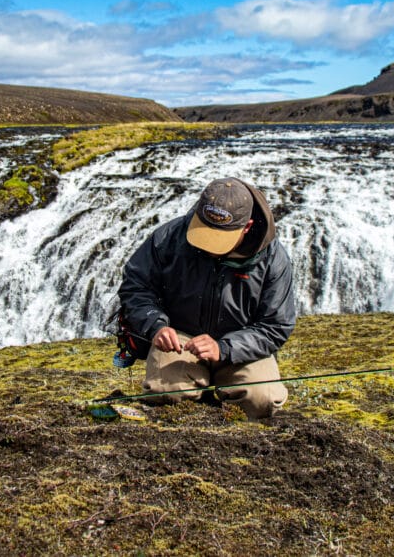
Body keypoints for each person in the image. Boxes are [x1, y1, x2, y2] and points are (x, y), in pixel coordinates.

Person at [118, 177, 296, 419]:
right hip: (179, 338)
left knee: (261, 401)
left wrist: (224, 348)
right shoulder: (169, 237)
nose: (209, 247)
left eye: (219, 238)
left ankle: (224, 384)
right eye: (204, 232)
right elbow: (135, 286)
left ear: (247, 226)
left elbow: (276, 325)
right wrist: (155, 326)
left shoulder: (273, 259)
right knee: (165, 394)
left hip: (241, 345)